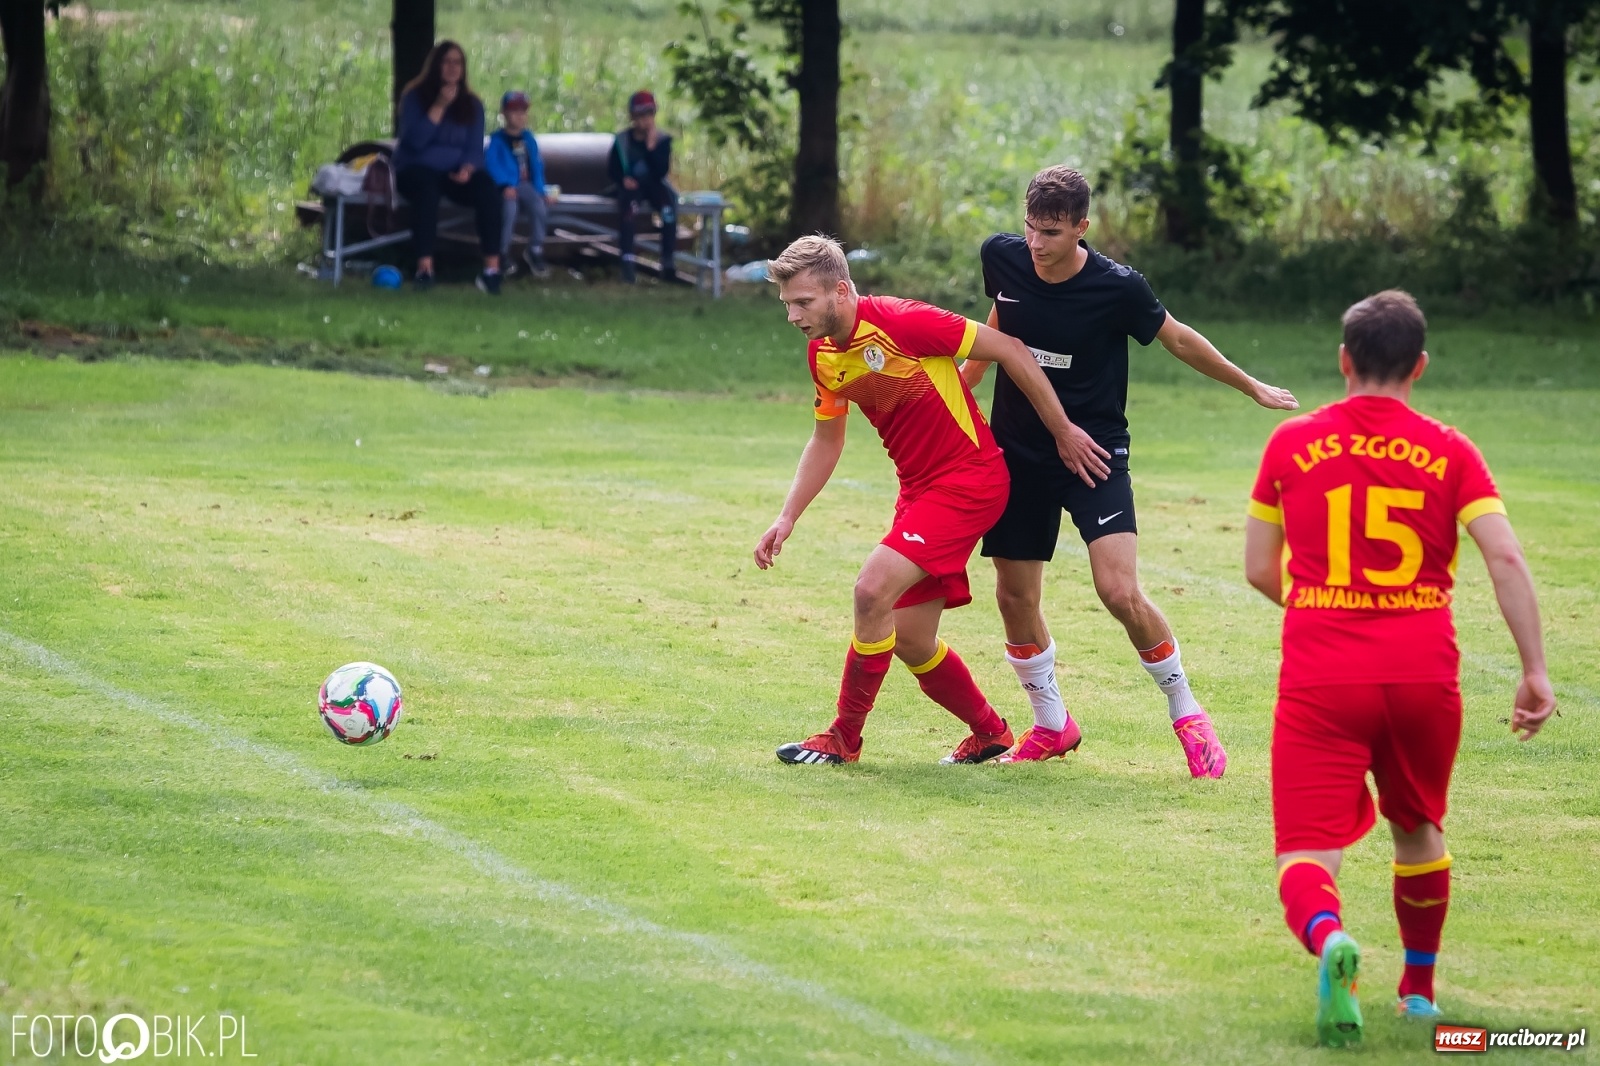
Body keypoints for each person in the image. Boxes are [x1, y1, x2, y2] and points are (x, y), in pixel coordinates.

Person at [1243, 289, 1556, 1046]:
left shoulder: (1291, 443)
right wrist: (1534, 670)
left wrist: (1322, 605)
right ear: (1419, 366)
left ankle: (1330, 940)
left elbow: (1258, 570)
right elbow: (1506, 556)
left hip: (1322, 675)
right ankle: (1418, 990)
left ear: (1344, 362)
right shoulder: (1452, 449)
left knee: (1306, 849)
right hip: (1423, 674)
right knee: (1418, 826)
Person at [961, 165, 1299, 772]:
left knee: (1118, 590)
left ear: (1083, 228)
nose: (1037, 245)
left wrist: (1250, 386)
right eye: (1031, 229)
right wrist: (966, 385)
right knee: (1014, 596)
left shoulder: (1118, 287)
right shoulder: (1003, 258)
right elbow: (1000, 321)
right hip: (1019, 451)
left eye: (1054, 233)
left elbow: (1179, 339)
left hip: (1093, 451)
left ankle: (1187, 712)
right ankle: (1051, 724)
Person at [754, 236, 1090, 766]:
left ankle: (844, 737)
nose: (793, 315)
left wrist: (1062, 430)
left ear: (840, 291)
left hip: (969, 479)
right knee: (910, 638)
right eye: (788, 304)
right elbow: (827, 439)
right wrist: (787, 515)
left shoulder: (901, 320)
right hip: (919, 491)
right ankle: (991, 733)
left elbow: (1010, 349)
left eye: (803, 303)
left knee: (870, 593)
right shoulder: (823, 355)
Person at [392, 40, 504, 295]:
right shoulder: (415, 96)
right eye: (447, 62)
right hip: (417, 168)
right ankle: (424, 268)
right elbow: (414, 141)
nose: (453, 68)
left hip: (455, 172)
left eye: (458, 63)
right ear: (436, 65)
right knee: (427, 191)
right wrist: (440, 106)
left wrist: (468, 167)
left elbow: (475, 147)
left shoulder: (472, 104)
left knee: (487, 189)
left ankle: (492, 271)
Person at [607, 90, 680, 284]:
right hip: (632, 188)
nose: (645, 120)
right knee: (629, 212)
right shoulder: (622, 141)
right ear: (632, 116)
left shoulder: (662, 141)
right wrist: (623, 179)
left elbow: (661, 171)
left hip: (654, 185)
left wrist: (651, 148)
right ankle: (628, 261)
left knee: (668, 210)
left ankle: (668, 261)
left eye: (649, 115)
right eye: (640, 115)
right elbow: (613, 168)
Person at [486, 90, 553, 278]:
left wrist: (541, 190)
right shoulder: (497, 141)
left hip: (526, 186)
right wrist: (504, 185)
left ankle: (535, 249)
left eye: (523, 111)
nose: (519, 116)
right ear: (504, 114)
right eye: (514, 111)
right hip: (507, 188)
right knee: (509, 210)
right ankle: (502, 252)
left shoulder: (529, 139)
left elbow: (537, 166)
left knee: (539, 208)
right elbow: (492, 165)